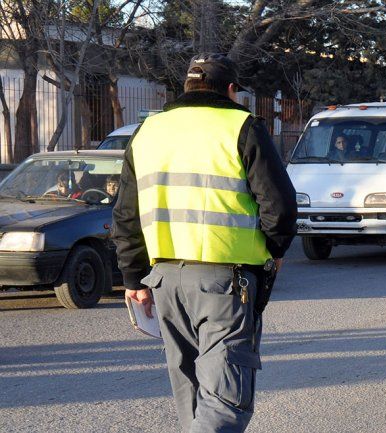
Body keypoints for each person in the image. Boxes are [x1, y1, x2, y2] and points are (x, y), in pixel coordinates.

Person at [111, 53, 297, 433]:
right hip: (224, 283)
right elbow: (280, 207)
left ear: (187, 87)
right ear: (231, 90)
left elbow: (125, 214)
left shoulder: (148, 131)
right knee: (226, 401)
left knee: (191, 397)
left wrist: (133, 279)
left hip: (163, 281)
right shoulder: (242, 126)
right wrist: (274, 253)